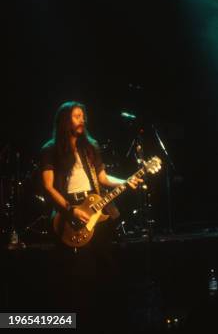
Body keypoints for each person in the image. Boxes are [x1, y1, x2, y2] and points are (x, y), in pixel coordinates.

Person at [40, 101, 141, 328]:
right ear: (65, 120)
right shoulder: (50, 149)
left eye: (83, 116)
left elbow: (103, 179)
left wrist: (126, 181)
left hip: (95, 207)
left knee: (106, 267)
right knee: (77, 275)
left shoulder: (90, 147)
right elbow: (48, 187)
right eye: (77, 116)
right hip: (70, 209)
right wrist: (70, 210)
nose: (82, 119)